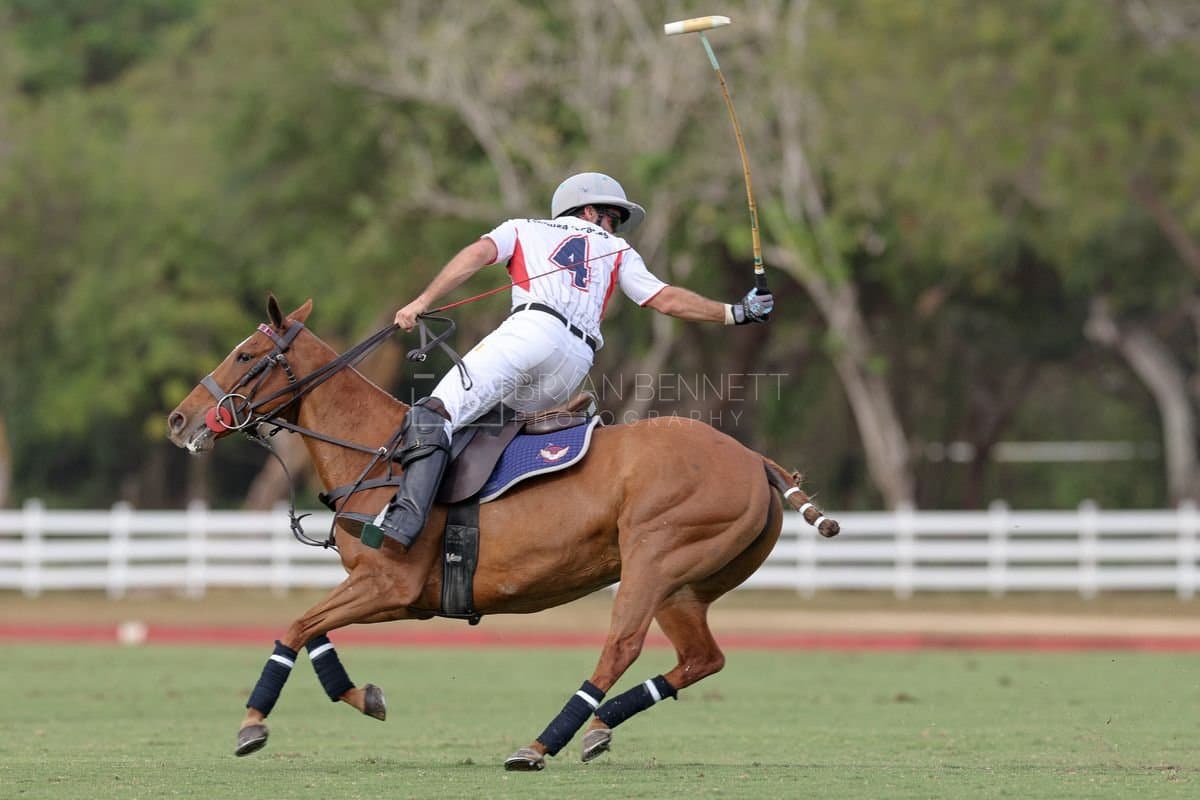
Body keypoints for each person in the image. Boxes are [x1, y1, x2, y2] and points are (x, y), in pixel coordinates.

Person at [348, 172, 773, 550]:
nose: (614, 226)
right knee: (492, 434)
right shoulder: (618, 250)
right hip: (574, 362)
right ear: (588, 211)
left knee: (434, 415)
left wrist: (422, 301)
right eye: (611, 216)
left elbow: (475, 256)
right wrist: (734, 312)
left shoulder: (521, 228)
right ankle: (477, 536)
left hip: (530, 334)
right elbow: (662, 298)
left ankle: (402, 523)